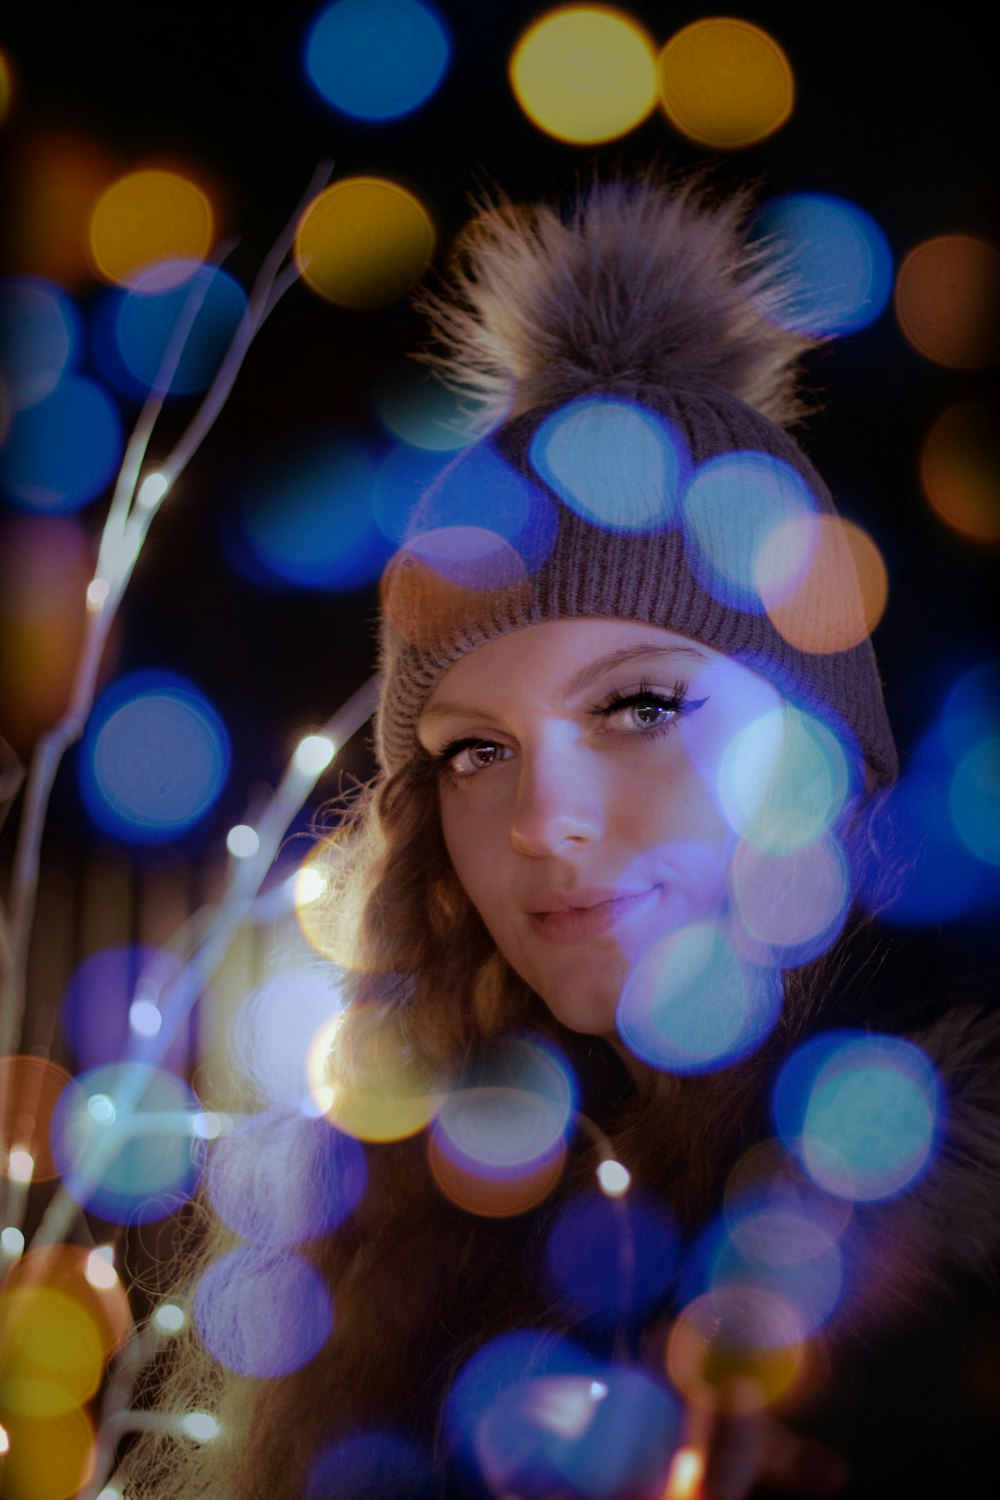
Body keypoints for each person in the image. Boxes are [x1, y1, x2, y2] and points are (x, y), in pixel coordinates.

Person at [124, 172, 1000, 1500]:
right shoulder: (405, 1236)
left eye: (641, 704)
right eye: (475, 751)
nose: (541, 823)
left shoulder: (923, 1294)